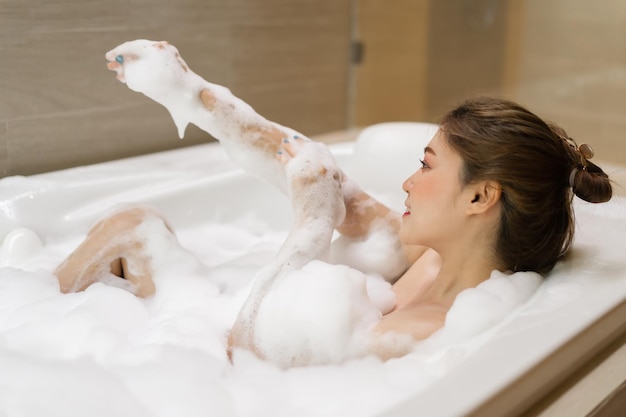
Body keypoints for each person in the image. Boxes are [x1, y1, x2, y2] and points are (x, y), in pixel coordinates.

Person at [55, 42, 613, 365]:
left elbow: (247, 349)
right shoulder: (432, 258)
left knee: (134, 227)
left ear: (479, 197)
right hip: (209, 329)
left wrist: (310, 228)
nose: (407, 182)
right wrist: (190, 92)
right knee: (136, 222)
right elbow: (313, 167)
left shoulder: (428, 331)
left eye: (425, 165)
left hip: (220, 360)